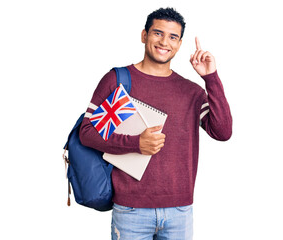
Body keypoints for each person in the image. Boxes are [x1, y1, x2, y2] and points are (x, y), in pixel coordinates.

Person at [79, 7, 232, 240]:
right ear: (144, 35)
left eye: (173, 37)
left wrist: (210, 77)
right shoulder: (119, 81)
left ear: (179, 44)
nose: (164, 42)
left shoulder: (190, 91)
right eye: (157, 33)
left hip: (179, 210)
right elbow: (87, 133)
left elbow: (222, 132)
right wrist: (135, 144)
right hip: (131, 209)